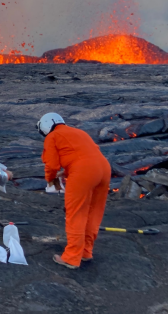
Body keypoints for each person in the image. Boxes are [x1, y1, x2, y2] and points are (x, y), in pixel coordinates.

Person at [37, 112, 111, 270]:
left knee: (76, 213)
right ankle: (85, 251)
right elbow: (83, 155)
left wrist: (50, 179)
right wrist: (67, 172)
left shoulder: (53, 136)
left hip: (83, 172)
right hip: (104, 168)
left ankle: (71, 257)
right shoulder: (78, 132)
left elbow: (51, 165)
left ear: (46, 126)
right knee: (94, 211)